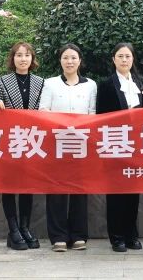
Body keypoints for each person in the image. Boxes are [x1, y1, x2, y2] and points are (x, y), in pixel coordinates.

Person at [40, 43, 97, 252]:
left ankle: (79, 235)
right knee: (57, 190)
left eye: (73, 58)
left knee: (79, 190)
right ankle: (58, 236)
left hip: (81, 143)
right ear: (60, 61)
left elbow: (92, 113)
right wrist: (62, 123)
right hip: (57, 142)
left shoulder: (90, 85)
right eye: (65, 58)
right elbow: (43, 110)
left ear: (80, 61)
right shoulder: (50, 84)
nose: (69, 61)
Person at [0, 42, 45, 249]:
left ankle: (25, 227)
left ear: (32, 59)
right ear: (12, 58)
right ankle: (13, 229)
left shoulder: (41, 82)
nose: (23, 59)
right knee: (9, 186)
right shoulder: (3, 81)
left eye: (27, 55)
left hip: (32, 141)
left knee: (27, 186)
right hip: (10, 141)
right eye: (19, 55)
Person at [95, 43, 143, 252]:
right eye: (120, 56)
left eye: (128, 56)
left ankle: (131, 234)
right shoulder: (106, 85)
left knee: (134, 192)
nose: (124, 60)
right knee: (116, 192)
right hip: (114, 142)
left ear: (133, 59)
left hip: (136, 144)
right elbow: (101, 116)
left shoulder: (141, 82)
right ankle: (117, 237)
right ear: (113, 59)